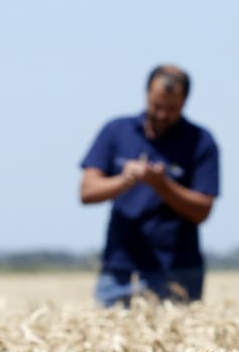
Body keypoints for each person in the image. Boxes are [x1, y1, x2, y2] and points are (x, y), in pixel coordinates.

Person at [79, 65, 221, 306]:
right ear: (147, 95)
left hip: (179, 269)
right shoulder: (116, 131)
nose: (163, 115)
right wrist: (124, 180)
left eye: (172, 109)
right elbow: (87, 192)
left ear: (185, 102)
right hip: (120, 269)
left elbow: (203, 209)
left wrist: (163, 185)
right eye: (157, 106)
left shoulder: (200, 141)